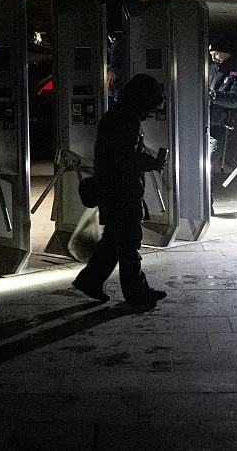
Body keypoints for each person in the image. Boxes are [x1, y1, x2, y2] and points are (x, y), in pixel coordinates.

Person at [73, 73, 169, 309]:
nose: (151, 111)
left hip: (113, 189)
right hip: (121, 191)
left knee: (115, 240)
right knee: (128, 242)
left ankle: (91, 280)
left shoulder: (118, 115)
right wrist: (151, 163)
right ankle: (137, 294)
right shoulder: (127, 120)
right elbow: (125, 159)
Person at [208, 35, 237, 175]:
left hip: (221, 125)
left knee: (210, 162)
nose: (214, 58)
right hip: (209, 123)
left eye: (216, 54)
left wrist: (212, 96)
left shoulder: (235, 71)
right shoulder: (211, 69)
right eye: (211, 55)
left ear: (226, 52)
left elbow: (235, 99)